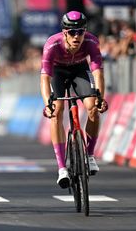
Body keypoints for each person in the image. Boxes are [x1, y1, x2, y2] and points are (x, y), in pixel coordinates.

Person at [40, 11, 108, 189]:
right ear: (64, 33)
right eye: (72, 32)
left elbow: (98, 72)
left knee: (92, 107)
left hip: (79, 70)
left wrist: (100, 97)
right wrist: (47, 103)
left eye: (80, 31)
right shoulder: (51, 44)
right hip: (58, 72)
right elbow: (45, 78)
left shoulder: (91, 42)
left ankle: (90, 155)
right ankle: (62, 167)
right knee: (57, 110)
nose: (76, 36)